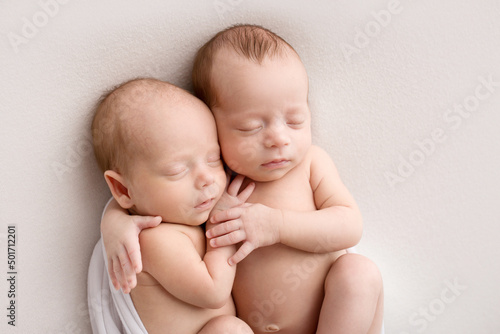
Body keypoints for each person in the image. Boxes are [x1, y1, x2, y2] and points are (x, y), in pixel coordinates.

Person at [101, 25, 384, 334]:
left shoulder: (311, 164)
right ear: (214, 130)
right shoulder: (219, 184)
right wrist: (114, 223)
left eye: (295, 120)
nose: (278, 138)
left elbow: (349, 226)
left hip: (329, 322)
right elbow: (153, 206)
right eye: (250, 127)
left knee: (360, 273)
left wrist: (276, 225)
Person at [91, 78, 253, 334]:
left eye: (214, 159)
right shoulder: (155, 240)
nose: (207, 179)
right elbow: (214, 291)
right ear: (123, 189)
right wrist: (223, 228)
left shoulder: (187, 214)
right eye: (178, 170)